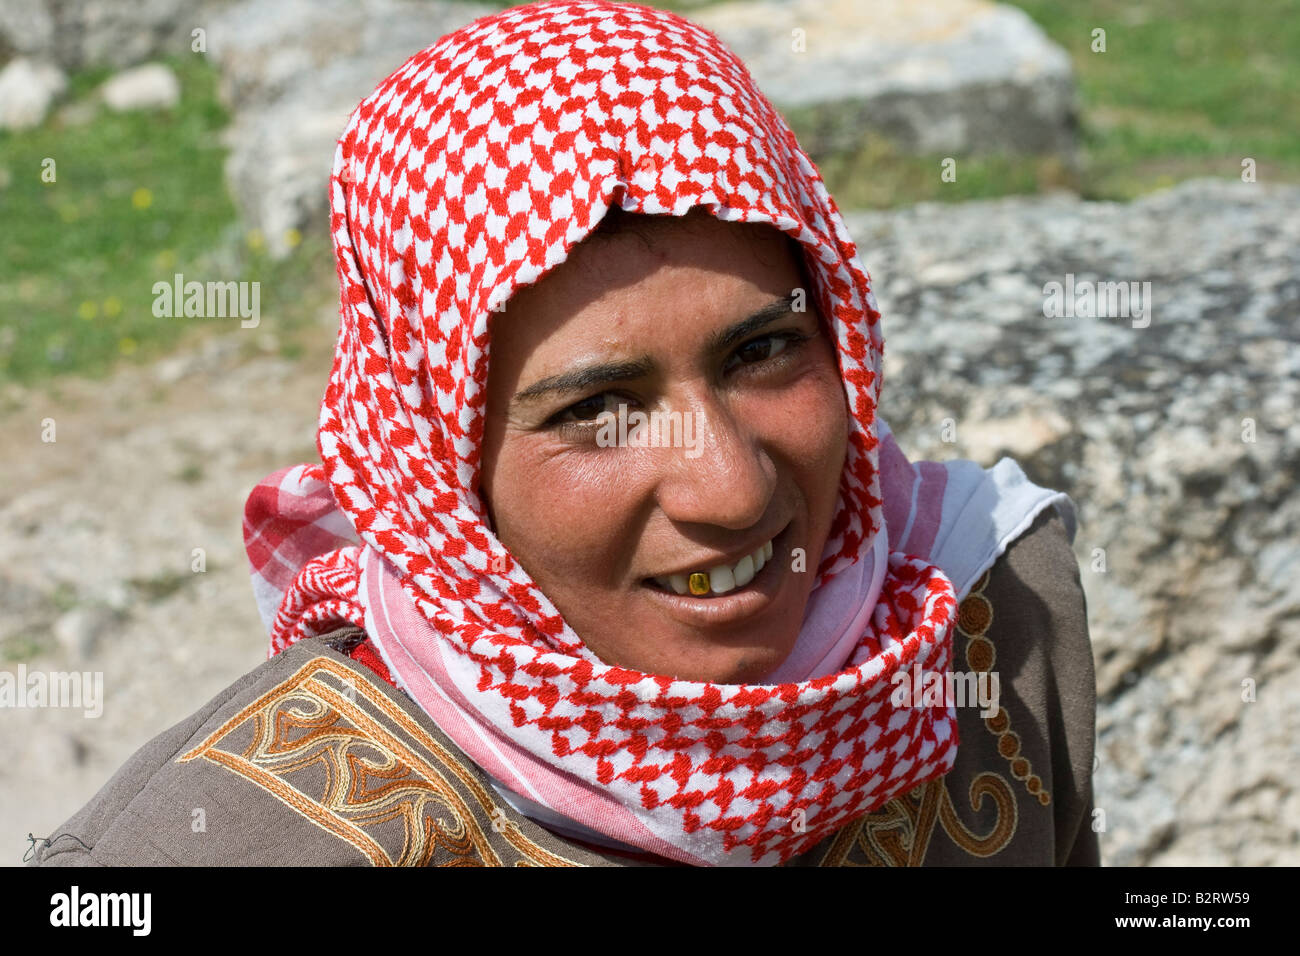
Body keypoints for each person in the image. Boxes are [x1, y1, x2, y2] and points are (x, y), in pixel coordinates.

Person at [29, 0, 1097, 867]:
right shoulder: (230, 843)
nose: (727, 488)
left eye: (762, 351)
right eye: (596, 410)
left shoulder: (990, 613)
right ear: (444, 477)